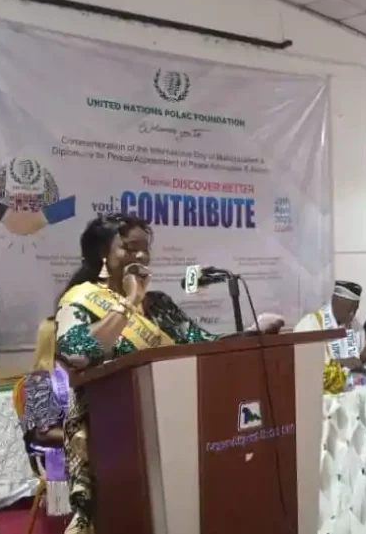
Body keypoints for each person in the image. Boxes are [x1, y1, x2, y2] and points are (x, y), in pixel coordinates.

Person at [55, 213, 216, 534]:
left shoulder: (159, 304)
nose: (141, 256)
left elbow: (202, 343)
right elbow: (78, 353)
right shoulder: (79, 300)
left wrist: (251, 333)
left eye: (145, 248)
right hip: (113, 429)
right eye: (130, 248)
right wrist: (129, 302)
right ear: (102, 253)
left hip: (172, 420)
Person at [17, 319, 71, 533]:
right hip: (56, 453)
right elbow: (42, 435)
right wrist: (82, 435)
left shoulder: (81, 372)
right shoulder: (38, 380)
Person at [294, 281, 366, 369]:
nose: (352, 315)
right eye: (349, 310)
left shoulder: (356, 327)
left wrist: (364, 356)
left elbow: (357, 361)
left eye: (355, 309)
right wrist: (339, 363)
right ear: (334, 303)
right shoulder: (310, 324)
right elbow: (304, 362)